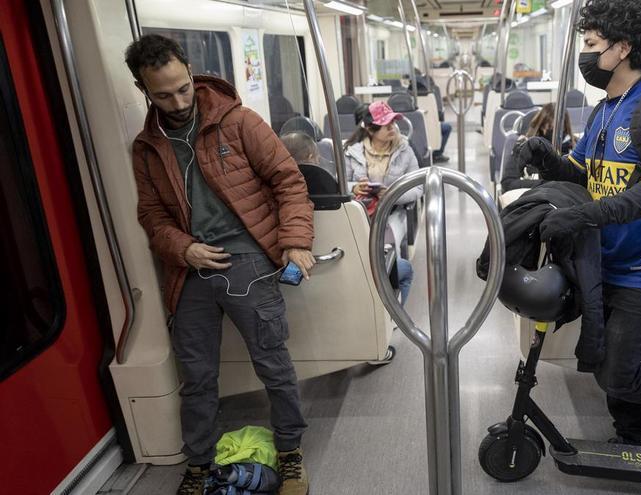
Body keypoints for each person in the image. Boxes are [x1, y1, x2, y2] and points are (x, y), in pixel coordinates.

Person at [125, 35, 314, 495]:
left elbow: (288, 180)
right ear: (143, 89)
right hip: (190, 267)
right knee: (196, 377)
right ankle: (201, 463)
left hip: (247, 258)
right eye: (163, 94)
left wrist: (295, 242)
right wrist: (182, 249)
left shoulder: (239, 121)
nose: (178, 101)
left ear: (190, 71)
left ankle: (290, 456)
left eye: (183, 88)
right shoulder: (147, 147)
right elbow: (151, 216)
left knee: (273, 364)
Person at [515, 0, 641, 450]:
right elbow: (584, 175)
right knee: (607, 359)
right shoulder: (604, 111)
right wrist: (548, 158)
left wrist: (584, 215)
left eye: (592, 45)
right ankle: (633, 437)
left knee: (616, 370)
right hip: (603, 261)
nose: (586, 56)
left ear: (622, 48)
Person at [343, 101, 420, 304]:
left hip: (393, 211)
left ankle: (387, 306)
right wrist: (354, 187)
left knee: (383, 256)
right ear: (370, 129)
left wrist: (393, 194)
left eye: (393, 123)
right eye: (386, 125)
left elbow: (418, 187)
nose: (392, 128)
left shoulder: (405, 150)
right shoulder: (353, 152)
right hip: (360, 211)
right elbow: (340, 183)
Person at [501, 103, 574, 193]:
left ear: (565, 128)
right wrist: (545, 184)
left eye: (558, 129)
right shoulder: (525, 146)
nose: (552, 134)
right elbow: (508, 183)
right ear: (540, 126)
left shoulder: (574, 150)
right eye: (549, 128)